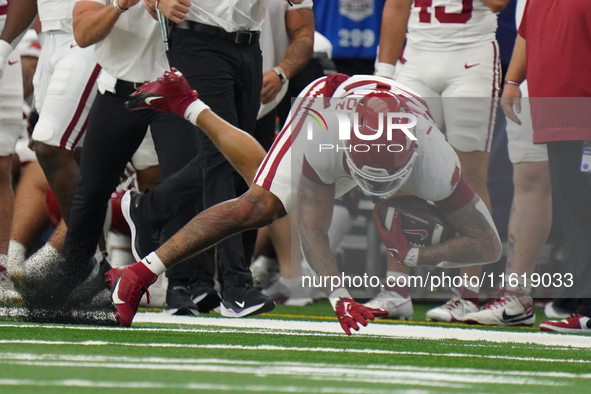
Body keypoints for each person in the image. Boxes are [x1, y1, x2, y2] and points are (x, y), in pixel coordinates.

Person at [107, 70, 501, 334]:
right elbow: (312, 228)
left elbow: (488, 243)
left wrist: (418, 256)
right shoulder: (326, 138)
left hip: (395, 119)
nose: (374, 191)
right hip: (328, 99)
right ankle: (139, 273)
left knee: (266, 187)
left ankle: (188, 103)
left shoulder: (437, 162)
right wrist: (339, 295)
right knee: (260, 205)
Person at [373, 0, 509, 322]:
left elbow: (498, 3)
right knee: (397, 172)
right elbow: (395, 6)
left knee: (470, 176)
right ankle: (396, 290)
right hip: (416, 57)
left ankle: (468, 294)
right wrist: (383, 74)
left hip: (471, 55)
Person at [138, 0, 273, 318]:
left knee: (240, 160)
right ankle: (235, 285)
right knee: (222, 157)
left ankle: (148, 208)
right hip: (198, 40)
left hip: (250, 46)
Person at [499, 0, 591, 334]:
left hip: (582, 119)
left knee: (585, 213)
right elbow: (527, 33)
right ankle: (585, 307)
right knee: (577, 215)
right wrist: (512, 80)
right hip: (554, 119)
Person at [462, 0, 552, 327]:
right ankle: (516, 295)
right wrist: (514, 79)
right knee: (528, 183)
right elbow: (527, 25)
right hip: (538, 80)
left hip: (578, 81)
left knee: (579, 193)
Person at [0, 0, 100, 225]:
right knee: (72, 155)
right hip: (49, 38)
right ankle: (96, 254)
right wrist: (3, 47)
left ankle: (82, 253)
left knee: (51, 146)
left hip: (90, 32)